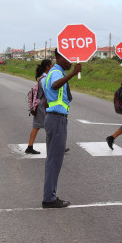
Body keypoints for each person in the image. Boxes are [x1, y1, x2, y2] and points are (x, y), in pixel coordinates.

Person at [42, 50, 81, 208]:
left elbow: (47, 98)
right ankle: (49, 198)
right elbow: (55, 85)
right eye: (67, 57)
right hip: (57, 118)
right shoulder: (57, 72)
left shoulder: (54, 71)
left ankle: (49, 196)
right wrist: (73, 74)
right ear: (58, 58)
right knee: (54, 160)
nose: (70, 60)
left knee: (53, 159)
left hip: (54, 117)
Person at [25, 59, 52, 155]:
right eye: (51, 65)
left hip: (40, 105)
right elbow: (47, 92)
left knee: (37, 126)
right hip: (43, 105)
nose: (52, 67)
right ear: (47, 67)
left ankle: (30, 147)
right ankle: (56, 146)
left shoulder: (43, 77)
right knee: (50, 125)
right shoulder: (44, 78)